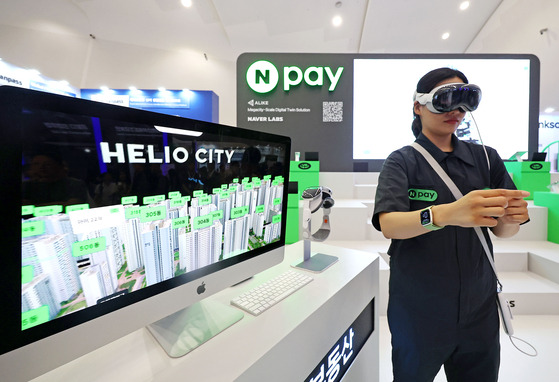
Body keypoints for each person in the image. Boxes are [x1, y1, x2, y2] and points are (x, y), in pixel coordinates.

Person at [372, 67, 530, 382]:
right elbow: (390, 224)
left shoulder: (487, 158)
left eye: (463, 102)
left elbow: (502, 230)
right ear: (418, 105)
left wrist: (512, 218)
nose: (456, 112)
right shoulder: (402, 161)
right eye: (446, 100)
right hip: (418, 309)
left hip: (479, 307)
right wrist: (445, 214)